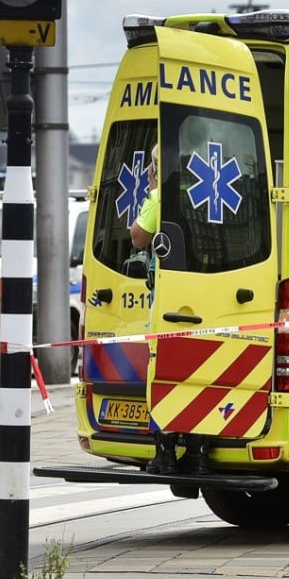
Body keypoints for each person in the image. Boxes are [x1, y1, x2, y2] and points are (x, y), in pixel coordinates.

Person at [129, 146, 211, 476]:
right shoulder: (204, 193)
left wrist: (151, 192)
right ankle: (199, 454)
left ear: (156, 168)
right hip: (208, 294)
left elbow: (138, 237)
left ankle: (165, 455)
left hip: (169, 300)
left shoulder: (162, 196)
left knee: (162, 372)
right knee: (201, 373)